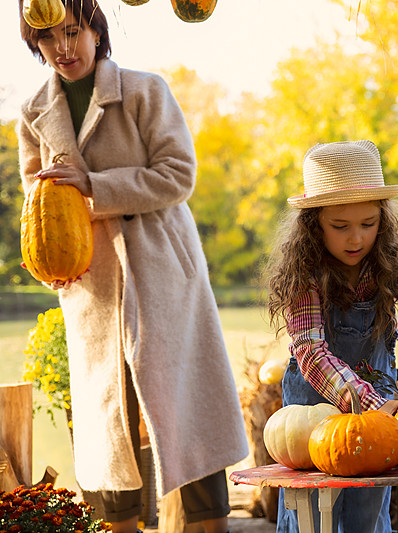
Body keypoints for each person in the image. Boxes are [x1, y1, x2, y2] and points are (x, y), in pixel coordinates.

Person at [16, 2, 249, 532]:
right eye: (48, 39)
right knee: (108, 416)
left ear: (97, 31)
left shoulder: (146, 90)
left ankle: (209, 523)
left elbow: (178, 175)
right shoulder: (32, 111)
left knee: (182, 406)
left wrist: (94, 188)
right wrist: (46, 258)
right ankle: (119, 525)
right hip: (90, 280)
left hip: (162, 266)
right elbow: (38, 202)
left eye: (73, 33)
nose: (64, 48)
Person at [264, 140, 398, 533]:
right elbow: (311, 352)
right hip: (314, 413)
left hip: (380, 413)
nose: (356, 239)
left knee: (368, 507)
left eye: (368, 224)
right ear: (314, 224)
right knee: (313, 513)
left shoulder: (393, 261)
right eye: (340, 227)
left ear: (382, 220)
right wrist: (367, 403)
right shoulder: (307, 272)